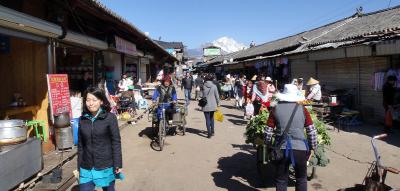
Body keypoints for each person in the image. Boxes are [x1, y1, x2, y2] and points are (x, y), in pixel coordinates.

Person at [265, 84, 317, 191]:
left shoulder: (275, 109)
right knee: (301, 179)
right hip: (300, 150)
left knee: (281, 180)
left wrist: (269, 145)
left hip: (281, 150)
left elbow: (268, 132)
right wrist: (312, 147)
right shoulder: (303, 110)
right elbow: (311, 131)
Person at [78, 87, 122, 191]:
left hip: (106, 166)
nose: (91, 103)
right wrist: (79, 166)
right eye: (88, 100)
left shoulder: (110, 118)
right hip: (86, 167)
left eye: (94, 100)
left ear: (101, 101)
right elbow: (81, 146)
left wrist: (118, 164)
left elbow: (116, 142)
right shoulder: (82, 119)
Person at [202, 74, 220, 138]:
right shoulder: (214, 86)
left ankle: (209, 133)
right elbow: (217, 96)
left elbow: (202, 96)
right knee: (212, 118)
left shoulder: (203, 86)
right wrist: (218, 103)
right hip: (213, 105)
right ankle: (212, 131)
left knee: (207, 119)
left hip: (205, 105)